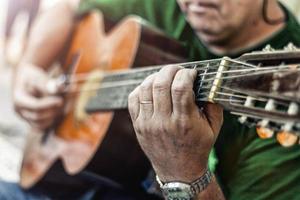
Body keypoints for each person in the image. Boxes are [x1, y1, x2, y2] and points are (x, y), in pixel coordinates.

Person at [1, 0, 300, 199]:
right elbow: (67, 6)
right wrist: (31, 66)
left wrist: (184, 174)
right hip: (61, 179)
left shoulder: (283, 114)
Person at [4, 0, 41, 65]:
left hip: (33, 3)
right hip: (16, 2)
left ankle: (24, 56)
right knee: (9, 26)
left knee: (30, 30)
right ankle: (5, 51)